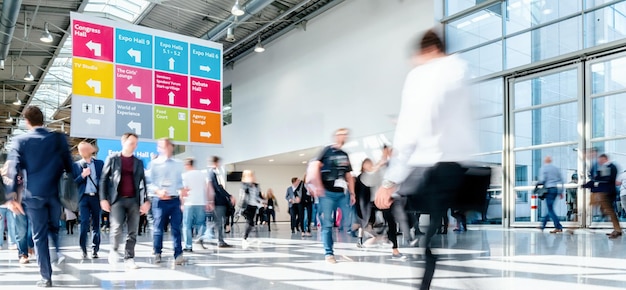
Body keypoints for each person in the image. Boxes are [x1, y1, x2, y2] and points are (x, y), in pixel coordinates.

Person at [374, 29, 479, 290]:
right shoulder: (462, 70)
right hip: (463, 168)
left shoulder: (424, 75)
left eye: (417, 56)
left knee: (426, 241)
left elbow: (414, 127)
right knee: (429, 236)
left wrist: (390, 180)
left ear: (428, 51)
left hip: (433, 167)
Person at [4, 106, 74, 287]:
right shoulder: (58, 138)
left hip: (33, 196)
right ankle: (56, 252)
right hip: (54, 194)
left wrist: (12, 196)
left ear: (27, 121)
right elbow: (70, 166)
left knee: (39, 236)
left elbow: (13, 168)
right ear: (43, 120)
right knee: (55, 228)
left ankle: (46, 277)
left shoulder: (21, 140)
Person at [100, 132, 151, 270]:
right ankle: (114, 250)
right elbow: (104, 179)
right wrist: (103, 199)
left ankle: (129, 258)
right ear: (123, 143)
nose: (134, 146)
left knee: (132, 231)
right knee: (116, 228)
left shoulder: (138, 162)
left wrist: (146, 200)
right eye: (131, 143)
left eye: (136, 143)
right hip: (118, 200)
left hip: (134, 201)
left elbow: (143, 182)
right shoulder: (113, 159)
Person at [307, 128, 356, 264]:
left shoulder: (345, 154)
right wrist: (318, 186)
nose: (344, 136)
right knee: (327, 224)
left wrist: (352, 192)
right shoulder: (326, 150)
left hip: (342, 193)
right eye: (342, 134)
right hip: (327, 193)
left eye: (346, 134)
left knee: (348, 222)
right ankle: (329, 253)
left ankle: (345, 251)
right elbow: (314, 166)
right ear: (336, 136)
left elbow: (348, 175)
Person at [148, 138, 188, 264]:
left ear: (171, 147)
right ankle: (157, 253)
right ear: (159, 148)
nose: (164, 148)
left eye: (167, 146)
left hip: (174, 200)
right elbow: (149, 183)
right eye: (161, 146)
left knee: (176, 228)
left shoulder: (178, 164)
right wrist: (158, 191)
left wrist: (183, 191)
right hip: (159, 201)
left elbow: (179, 182)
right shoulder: (154, 164)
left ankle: (178, 255)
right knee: (158, 228)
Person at [72, 141, 104, 259]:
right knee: (84, 223)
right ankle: (83, 249)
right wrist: (83, 175)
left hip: (96, 197)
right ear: (80, 152)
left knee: (97, 224)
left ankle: (95, 249)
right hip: (83, 198)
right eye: (82, 149)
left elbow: (105, 181)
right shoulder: (76, 166)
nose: (84, 151)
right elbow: (73, 183)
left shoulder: (100, 164)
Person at [585, 154, 621, 238]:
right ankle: (617, 229)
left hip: (607, 193)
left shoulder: (609, 167)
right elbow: (598, 178)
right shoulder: (607, 167)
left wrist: (595, 180)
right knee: (608, 211)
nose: (599, 162)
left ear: (605, 159)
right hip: (606, 192)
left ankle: (617, 230)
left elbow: (604, 179)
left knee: (610, 211)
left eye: (601, 160)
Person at [204, 156, 235, 248]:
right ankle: (217, 240)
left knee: (217, 222)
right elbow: (217, 188)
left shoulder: (215, 173)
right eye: (218, 162)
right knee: (217, 222)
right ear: (215, 163)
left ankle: (219, 240)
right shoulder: (212, 173)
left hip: (219, 201)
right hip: (217, 201)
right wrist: (229, 196)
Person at [181, 157, 209, 252]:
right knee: (201, 223)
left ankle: (188, 246)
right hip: (201, 202)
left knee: (187, 225)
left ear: (187, 165)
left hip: (189, 202)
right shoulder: (202, 174)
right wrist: (207, 201)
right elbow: (206, 188)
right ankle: (199, 238)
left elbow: (184, 190)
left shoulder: (185, 175)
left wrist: (182, 203)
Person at [538, 156, 564, 233]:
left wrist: (538, 184)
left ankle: (558, 226)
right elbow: (562, 180)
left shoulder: (543, 168)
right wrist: (561, 191)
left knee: (550, 209)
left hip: (548, 190)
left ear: (545, 161)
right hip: (555, 190)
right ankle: (542, 225)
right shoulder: (556, 169)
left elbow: (542, 180)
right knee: (550, 208)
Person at [240, 170, 264, 249]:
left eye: (253, 175)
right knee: (249, 221)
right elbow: (243, 196)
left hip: (254, 206)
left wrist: (263, 201)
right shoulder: (244, 185)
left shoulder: (256, 185)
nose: (253, 177)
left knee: (251, 223)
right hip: (247, 206)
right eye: (251, 176)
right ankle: (244, 238)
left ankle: (255, 238)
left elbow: (258, 196)